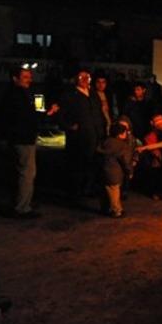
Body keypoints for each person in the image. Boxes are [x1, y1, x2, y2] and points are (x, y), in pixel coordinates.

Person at [0, 68, 44, 219]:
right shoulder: (15, 95)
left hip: (24, 137)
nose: (29, 80)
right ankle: (22, 207)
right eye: (25, 77)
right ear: (15, 78)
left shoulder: (23, 93)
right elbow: (24, 117)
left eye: (30, 77)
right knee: (26, 173)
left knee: (25, 172)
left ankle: (23, 203)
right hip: (22, 139)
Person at [59, 70, 105, 199]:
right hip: (79, 137)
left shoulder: (93, 94)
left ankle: (88, 188)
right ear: (76, 79)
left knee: (92, 162)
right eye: (81, 77)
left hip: (95, 135)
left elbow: (99, 113)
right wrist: (69, 126)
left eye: (87, 77)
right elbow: (61, 115)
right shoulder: (70, 95)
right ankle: (75, 190)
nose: (85, 79)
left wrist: (102, 128)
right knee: (78, 164)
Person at [97, 123, 133, 218]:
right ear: (120, 134)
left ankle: (105, 208)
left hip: (103, 171)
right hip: (115, 173)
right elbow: (125, 161)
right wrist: (129, 171)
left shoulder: (105, 142)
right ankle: (117, 211)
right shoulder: (121, 146)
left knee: (105, 191)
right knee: (114, 193)